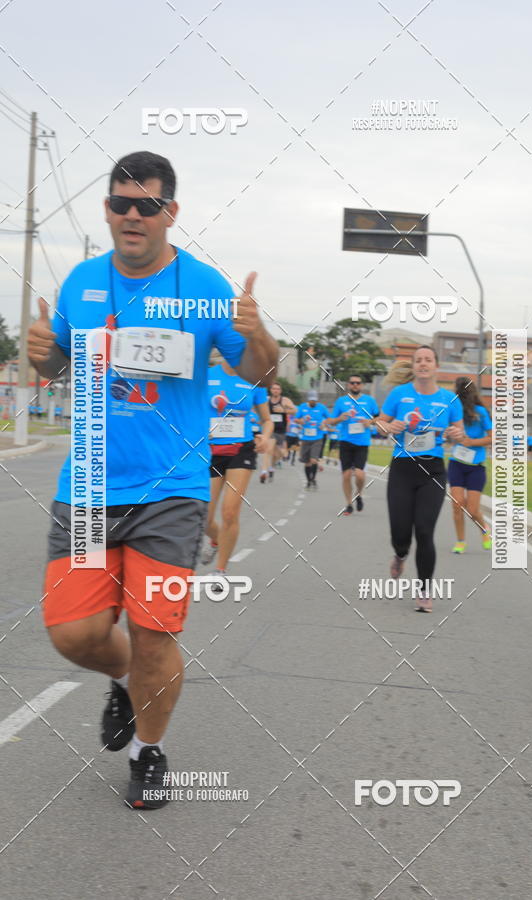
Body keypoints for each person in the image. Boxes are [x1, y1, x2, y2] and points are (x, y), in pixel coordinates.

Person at [27, 151, 278, 809]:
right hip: (86, 489)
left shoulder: (205, 288)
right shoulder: (82, 281)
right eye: (120, 203)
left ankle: (147, 751)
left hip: (171, 492)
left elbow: (256, 372)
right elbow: (58, 367)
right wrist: (43, 353)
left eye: (146, 204)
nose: (132, 215)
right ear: (108, 209)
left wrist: (260, 337)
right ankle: (121, 680)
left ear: (171, 211)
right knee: (74, 633)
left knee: (154, 632)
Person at [377, 346, 463, 613]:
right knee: (400, 532)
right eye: (419, 360)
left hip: (433, 470)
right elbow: (380, 422)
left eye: (428, 359)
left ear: (436, 365)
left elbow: (458, 431)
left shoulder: (450, 399)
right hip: (403, 468)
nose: (423, 364)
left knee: (425, 531)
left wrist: (454, 434)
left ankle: (425, 590)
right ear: (413, 366)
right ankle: (400, 555)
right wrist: (388, 427)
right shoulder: (399, 394)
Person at [202, 358, 273, 579]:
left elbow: (267, 420)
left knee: (230, 512)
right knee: (204, 516)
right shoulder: (206, 375)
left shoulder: (255, 379)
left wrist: (265, 437)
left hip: (241, 449)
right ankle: (216, 540)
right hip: (209, 449)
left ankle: (220, 570)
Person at [447, 377, 493, 553]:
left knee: (472, 509)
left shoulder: (480, 412)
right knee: (457, 504)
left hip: (476, 466)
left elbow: (492, 437)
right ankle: (460, 541)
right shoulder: (453, 410)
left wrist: (472, 442)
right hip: (456, 463)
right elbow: (448, 431)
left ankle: (484, 530)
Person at [327, 375, 379, 515]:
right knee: (346, 475)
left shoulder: (369, 401)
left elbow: (379, 418)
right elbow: (330, 421)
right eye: (352, 383)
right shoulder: (341, 401)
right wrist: (339, 418)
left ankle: (359, 495)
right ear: (348, 385)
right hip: (345, 442)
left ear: (361, 385)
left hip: (362, 442)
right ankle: (349, 504)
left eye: (358, 383)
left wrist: (370, 422)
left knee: (360, 475)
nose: (355, 385)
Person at [259, 382, 296, 482]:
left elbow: (294, 410)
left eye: (278, 389)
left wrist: (283, 410)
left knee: (277, 454)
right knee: (268, 449)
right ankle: (264, 471)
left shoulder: (285, 400)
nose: (276, 391)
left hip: (281, 430)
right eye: (274, 389)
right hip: (270, 429)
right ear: (271, 390)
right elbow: (260, 410)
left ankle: (272, 466)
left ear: (280, 391)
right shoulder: (266, 400)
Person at [296, 389, 330, 489]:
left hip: (317, 438)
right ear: (308, 399)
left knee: (314, 460)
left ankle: (313, 478)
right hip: (305, 438)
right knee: (307, 462)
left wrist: (324, 423)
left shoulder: (322, 408)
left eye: (315, 400)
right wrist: (301, 421)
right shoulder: (302, 407)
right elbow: (296, 419)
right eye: (311, 400)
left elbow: (329, 418)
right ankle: (308, 481)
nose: (313, 402)